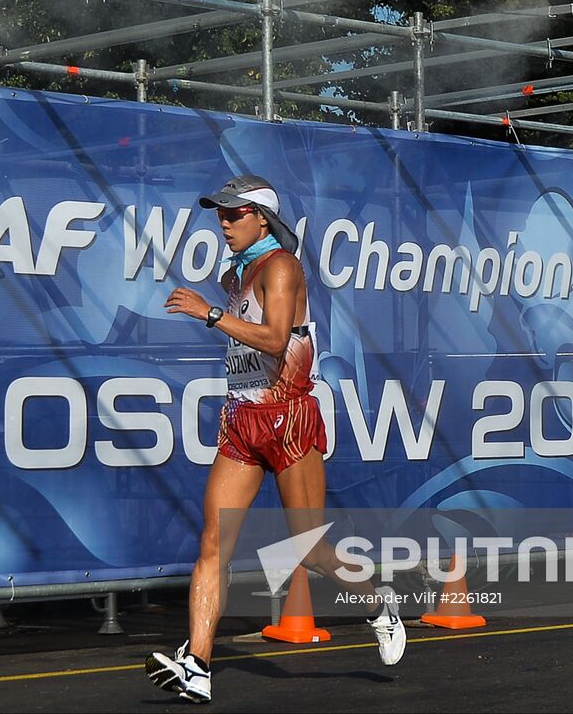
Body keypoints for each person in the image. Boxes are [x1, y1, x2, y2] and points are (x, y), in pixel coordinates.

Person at [146, 174, 405, 704]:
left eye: (233, 213)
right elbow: (251, 343)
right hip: (243, 419)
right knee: (213, 544)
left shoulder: (282, 267)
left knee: (308, 548)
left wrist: (209, 314)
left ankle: (379, 603)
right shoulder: (233, 275)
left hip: (289, 419)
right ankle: (197, 664)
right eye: (219, 213)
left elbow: (275, 338)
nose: (223, 222)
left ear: (261, 217)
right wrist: (221, 308)